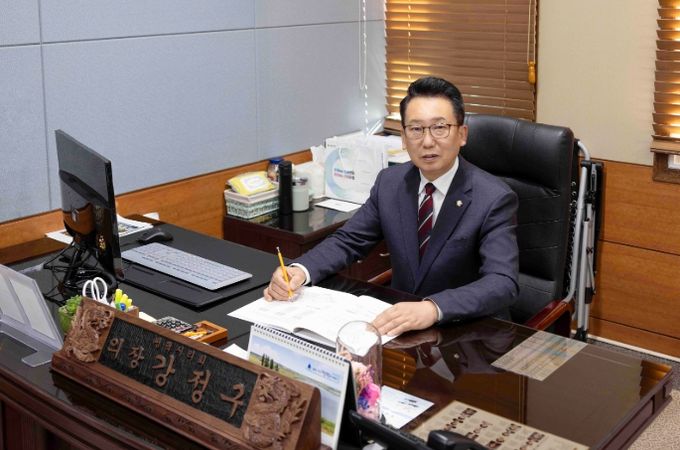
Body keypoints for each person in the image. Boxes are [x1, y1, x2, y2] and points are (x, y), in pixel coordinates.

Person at [264, 76, 519, 336]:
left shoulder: (494, 198)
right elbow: (349, 240)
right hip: (401, 329)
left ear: (462, 134)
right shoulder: (390, 183)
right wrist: (299, 270)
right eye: (416, 129)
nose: (427, 141)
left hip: (466, 333)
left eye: (439, 128)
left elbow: (502, 282)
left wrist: (434, 308)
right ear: (404, 138)